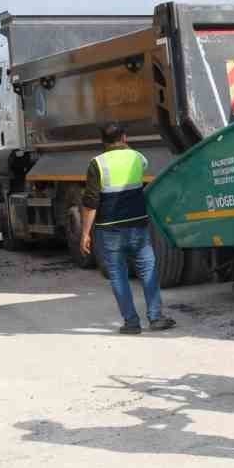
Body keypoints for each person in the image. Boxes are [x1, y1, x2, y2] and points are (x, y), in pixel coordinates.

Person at [79, 123, 175, 335]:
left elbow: (91, 202)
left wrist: (85, 233)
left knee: (117, 275)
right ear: (124, 137)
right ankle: (156, 317)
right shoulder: (137, 158)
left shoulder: (97, 164)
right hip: (137, 226)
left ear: (102, 142)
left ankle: (131, 323)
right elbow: (143, 169)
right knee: (147, 270)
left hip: (109, 229)